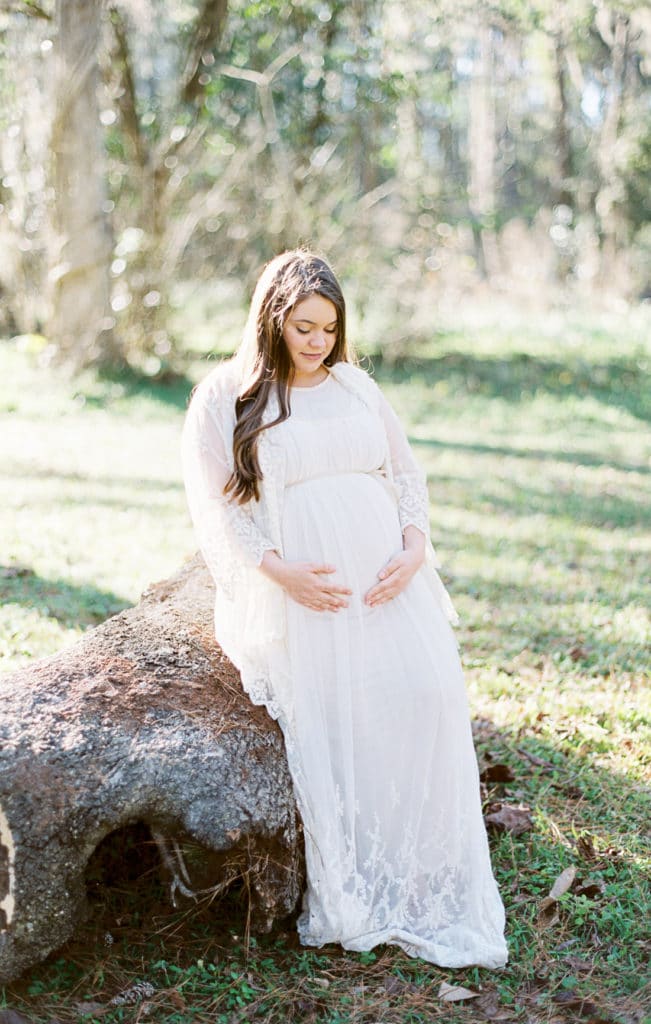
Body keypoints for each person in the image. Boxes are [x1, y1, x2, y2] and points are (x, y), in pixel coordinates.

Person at [181, 249, 508, 969]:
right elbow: (219, 508)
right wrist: (280, 574)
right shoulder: (227, 397)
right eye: (302, 327)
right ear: (271, 321)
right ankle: (360, 885)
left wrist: (414, 546)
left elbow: (405, 474)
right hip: (303, 592)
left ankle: (422, 866)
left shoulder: (357, 386)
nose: (316, 342)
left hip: (389, 583)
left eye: (328, 329)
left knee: (424, 700)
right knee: (341, 720)